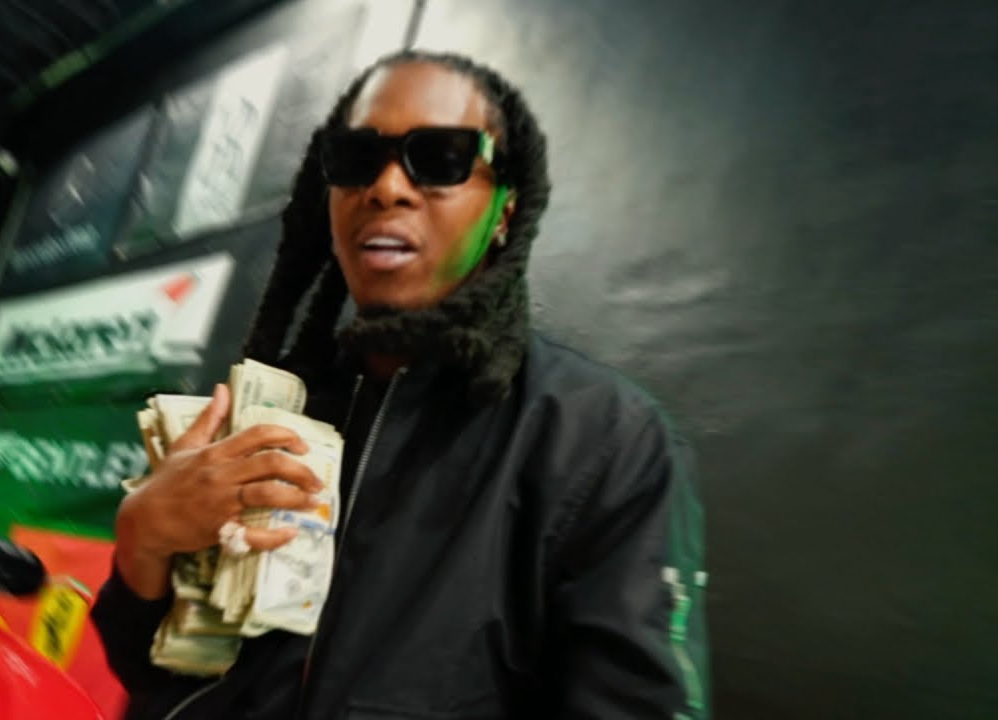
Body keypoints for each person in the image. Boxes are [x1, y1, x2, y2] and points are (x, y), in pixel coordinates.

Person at [92, 49, 710, 719]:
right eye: (356, 158)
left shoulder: (604, 440)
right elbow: (151, 675)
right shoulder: (266, 411)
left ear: (505, 209)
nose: (386, 187)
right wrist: (143, 543)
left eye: (440, 158)